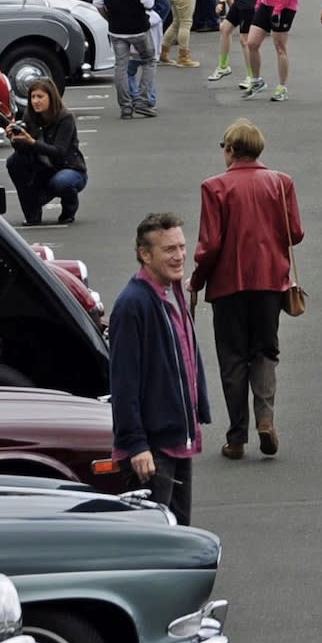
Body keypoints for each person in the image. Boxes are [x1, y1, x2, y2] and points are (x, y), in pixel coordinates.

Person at [193, 117, 303, 461]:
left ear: (230, 150)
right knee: (265, 352)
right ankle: (266, 419)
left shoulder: (215, 187)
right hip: (271, 280)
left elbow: (210, 245)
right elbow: (295, 233)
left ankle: (236, 436)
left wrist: (196, 281)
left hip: (228, 284)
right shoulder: (281, 182)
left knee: (232, 358)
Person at [110, 212, 210, 525]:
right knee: (155, 542)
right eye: (169, 249)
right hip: (151, 451)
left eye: (181, 247)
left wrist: (197, 412)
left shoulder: (174, 292)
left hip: (178, 440)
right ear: (145, 254)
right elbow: (124, 382)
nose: (179, 255)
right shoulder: (133, 304)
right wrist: (136, 444)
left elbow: (186, 358)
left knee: (180, 535)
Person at [3, 77, 86, 225]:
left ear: (51, 97)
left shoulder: (65, 118)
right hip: (43, 169)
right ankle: (32, 213)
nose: (35, 101)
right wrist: (14, 138)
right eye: (33, 97)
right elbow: (24, 149)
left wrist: (32, 142)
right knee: (14, 162)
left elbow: (59, 151)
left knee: (61, 182)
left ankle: (69, 209)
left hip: (69, 169)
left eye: (40, 97)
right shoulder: (30, 116)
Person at [95, 0, 160, 119]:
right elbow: (149, 2)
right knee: (148, 60)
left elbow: (98, 3)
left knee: (120, 66)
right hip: (138, 27)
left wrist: (110, 17)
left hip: (116, 29)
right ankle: (142, 100)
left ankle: (125, 106)